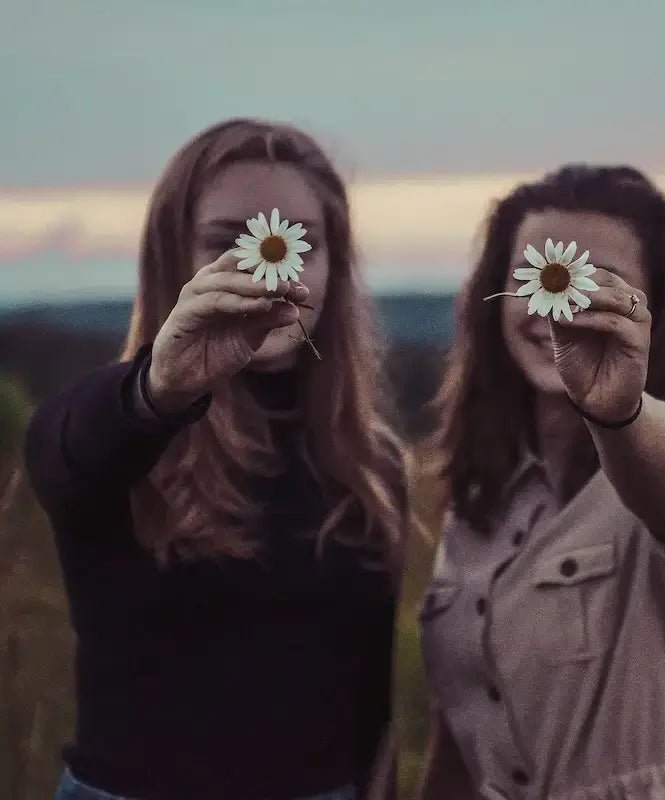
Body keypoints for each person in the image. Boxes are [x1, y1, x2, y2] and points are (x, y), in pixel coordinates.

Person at [25, 118, 408, 800]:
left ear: (334, 265)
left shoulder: (372, 463)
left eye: (303, 242)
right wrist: (161, 388)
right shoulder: (123, 426)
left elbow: (371, 705)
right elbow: (64, 454)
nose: (266, 265)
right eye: (226, 240)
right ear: (172, 256)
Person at [417, 165, 665, 800]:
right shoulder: (479, 506)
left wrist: (619, 412)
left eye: (599, 281)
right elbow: (461, 748)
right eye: (539, 276)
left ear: (655, 307)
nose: (559, 304)